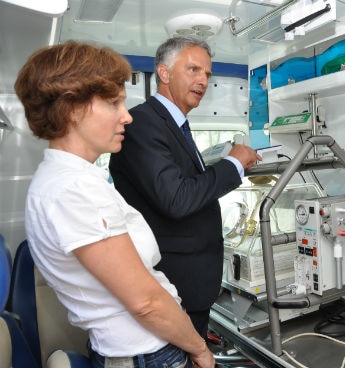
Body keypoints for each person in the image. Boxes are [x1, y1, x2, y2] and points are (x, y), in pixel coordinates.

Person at [15, 41, 215, 368]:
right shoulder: (73, 188)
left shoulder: (72, 176)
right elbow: (145, 303)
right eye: (113, 103)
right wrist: (199, 348)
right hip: (148, 352)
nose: (126, 116)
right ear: (71, 109)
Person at [108, 36, 261, 338]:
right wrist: (232, 164)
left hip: (192, 287)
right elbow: (176, 198)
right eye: (193, 70)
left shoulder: (175, 126)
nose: (203, 80)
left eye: (207, 73)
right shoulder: (143, 123)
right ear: (164, 74)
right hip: (172, 285)